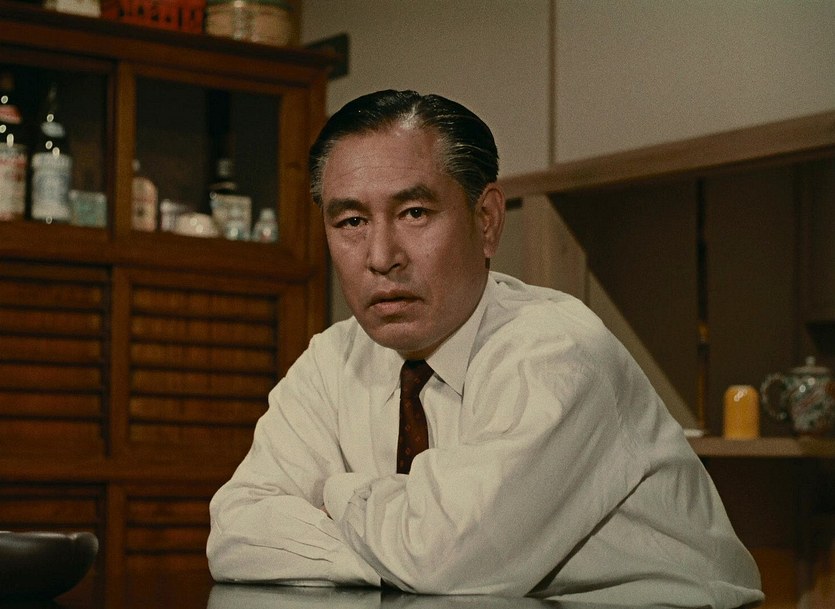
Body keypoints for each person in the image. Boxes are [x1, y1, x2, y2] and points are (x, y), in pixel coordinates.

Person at [207, 89, 764, 607]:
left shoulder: (556, 350)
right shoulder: (332, 358)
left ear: (487, 220)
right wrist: (405, 546)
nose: (381, 256)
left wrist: (335, 494)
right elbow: (235, 532)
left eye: (414, 213)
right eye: (351, 221)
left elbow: (448, 560)